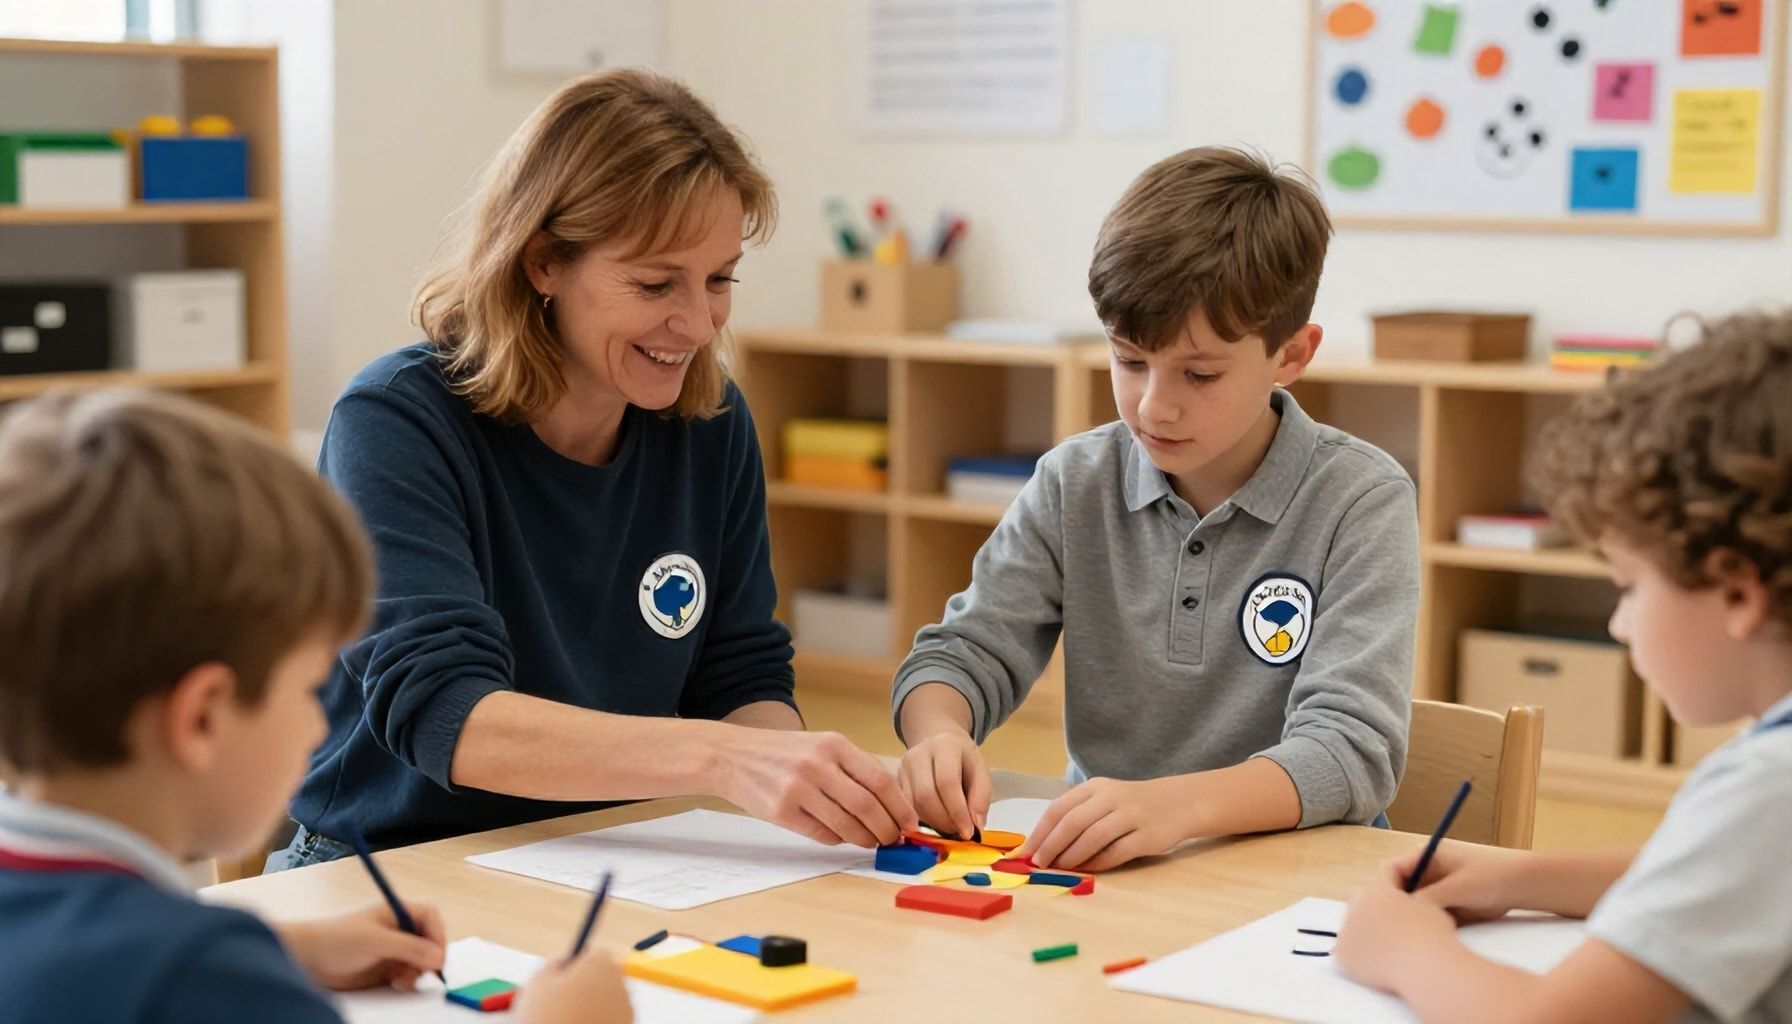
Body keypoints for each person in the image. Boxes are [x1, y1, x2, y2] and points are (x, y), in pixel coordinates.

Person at [277, 69, 915, 868]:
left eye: (720, 279)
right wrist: (720, 759)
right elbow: (447, 715)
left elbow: (738, 673)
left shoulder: (711, 422)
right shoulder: (395, 421)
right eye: (654, 283)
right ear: (542, 262)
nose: (696, 323)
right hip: (393, 863)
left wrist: (813, 788)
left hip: (617, 851)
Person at [0, 389, 631, 1023]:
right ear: (201, 719)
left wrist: (280, 947)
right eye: (308, 688)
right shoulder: (204, 981)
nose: (316, 722)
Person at [893, 147, 1418, 871]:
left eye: (1199, 374)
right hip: (1115, 872)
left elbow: (1349, 753)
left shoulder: (1360, 499)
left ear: (1292, 355)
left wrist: (1174, 806)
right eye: (1129, 359)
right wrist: (938, 735)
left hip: (1295, 880)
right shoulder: (1073, 482)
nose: (1154, 405)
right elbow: (963, 653)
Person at [1334, 309, 1792, 1024]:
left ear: (1737, 591)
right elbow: (1726, 874)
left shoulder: (1772, 784)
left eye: (1630, 585)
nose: (1618, 621)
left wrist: (1405, 951)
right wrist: (1521, 875)